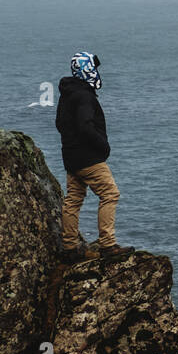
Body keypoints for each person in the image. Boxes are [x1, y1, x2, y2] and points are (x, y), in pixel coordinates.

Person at [55, 51, 132, 260]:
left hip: (71, 158)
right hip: (89, 158)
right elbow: (85, 126)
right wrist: (103, 146)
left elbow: (60, 125)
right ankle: (108, 245)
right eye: (94, 68)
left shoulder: (68, 94)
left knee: (73, 200)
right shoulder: (84, 96)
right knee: (110, 194)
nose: (96, 72)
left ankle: (69, 248)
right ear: (86, 69)